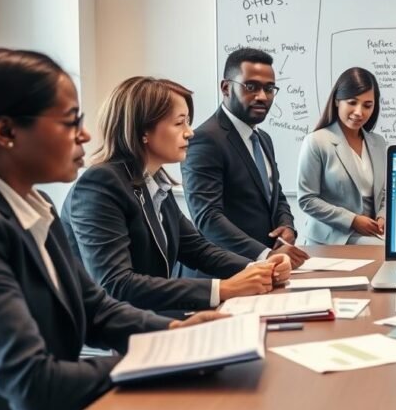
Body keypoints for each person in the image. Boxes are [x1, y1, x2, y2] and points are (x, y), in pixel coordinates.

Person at [0, 49, 222, 410]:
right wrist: (164, 359)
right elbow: (32, 384)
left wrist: (173, 334)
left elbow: (95, 307)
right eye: (70, 122)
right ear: (6, 132)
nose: (84, 135)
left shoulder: (35, 203)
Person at [62, 76, 291, 313]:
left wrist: (260, 267)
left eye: (188, 122)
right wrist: (222, 289)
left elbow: (197, 249)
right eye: (179, 123)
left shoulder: (153, 182)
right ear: (143, 130)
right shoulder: (100, 184)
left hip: (149, 318)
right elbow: (116, 284)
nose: (190, 133)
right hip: (110, 338)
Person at [181, 48, 308, 268]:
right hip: (223, 273)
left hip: (266, 270)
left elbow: (274, 194)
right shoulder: (205, 140)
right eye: (251, 87)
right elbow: (207, 217)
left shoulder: (263, 139)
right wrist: (264, 254)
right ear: (226, 88)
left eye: (269, 89)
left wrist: (287, 226)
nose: (262, 96)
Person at [297, 67, 387, 245]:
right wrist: (352, 220)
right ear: (338, 101)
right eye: (352, 102)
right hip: (334, 235)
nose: (359, 112)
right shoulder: (317, 141)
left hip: (372, 233)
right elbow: (307, 199)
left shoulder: (378, 143)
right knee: (387, 252)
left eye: (367, 105)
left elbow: (384, 193)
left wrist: (383, 216)